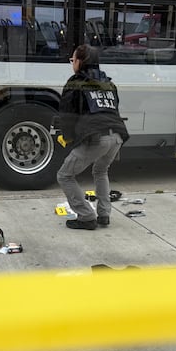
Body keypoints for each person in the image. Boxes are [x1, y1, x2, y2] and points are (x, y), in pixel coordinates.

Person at [56, 44, 129, 230]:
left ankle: (86, 217)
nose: (72, 64)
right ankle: (104, 215)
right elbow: (112, 110)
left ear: (80, 62)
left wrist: (67, 137)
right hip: (117, 136)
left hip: (97, 138)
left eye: (73, 60)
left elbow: (67, 114)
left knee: (64, 175)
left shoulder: (75, 82)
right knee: (101, 170)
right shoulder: (108, 83)